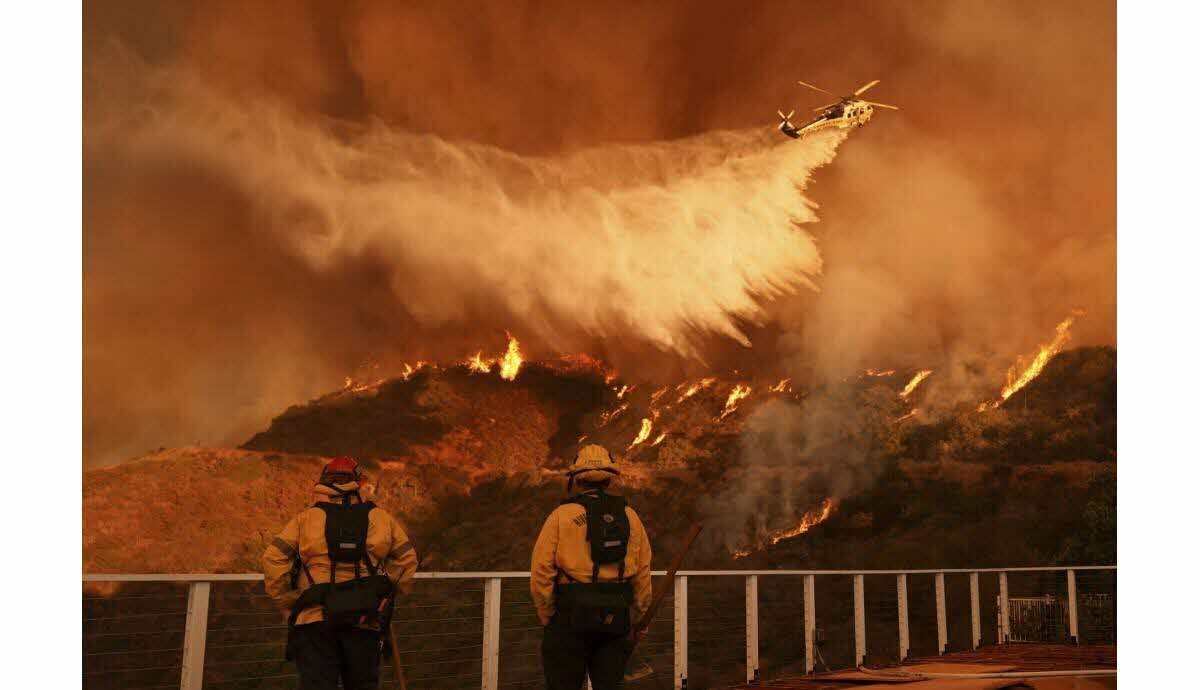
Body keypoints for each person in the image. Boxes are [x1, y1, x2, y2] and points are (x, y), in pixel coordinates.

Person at [262, 456, 418, 690]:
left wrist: (287, 600)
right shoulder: (381, 518)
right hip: (365, 619)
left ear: (323, 481)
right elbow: (407, 560)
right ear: (357, 481)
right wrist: (385, 592)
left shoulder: (305, 519)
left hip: (315, 618)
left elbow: (273, 558)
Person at [531, 444, 653, 690]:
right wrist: (639, 619)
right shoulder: (630, 516)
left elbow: (541, 572)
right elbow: (642, 573)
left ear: (576, 480)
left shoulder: (561, 516)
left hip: (569, 620)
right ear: (610, 479)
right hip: (616, 620)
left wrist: (549, 616)